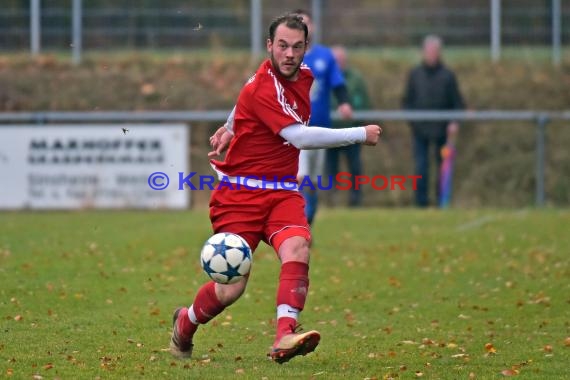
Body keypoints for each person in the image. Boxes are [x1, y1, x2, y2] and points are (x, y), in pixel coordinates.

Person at [169, 13, 382, 364]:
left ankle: (285, 334)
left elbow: (243, 100)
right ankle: (185, 322)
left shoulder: (303, 77)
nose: (289, 53)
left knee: (298, 247)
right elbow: (296, 135)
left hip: (282, 191)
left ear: (306, 50)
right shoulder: (263, 85)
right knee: (231, 288)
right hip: (240, 195)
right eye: (282, 45)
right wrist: (359, 134)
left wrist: (229, 125)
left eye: (297, 47)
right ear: (269, 45)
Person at [293, 9, 353, 225]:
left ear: (313, 28)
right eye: (297, 23)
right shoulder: (287, 58)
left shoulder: (325, 57)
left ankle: (308, 220)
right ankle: (299, 223)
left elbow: (338, 84)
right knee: (300, 176)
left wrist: (345, 103)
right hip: (295, 129)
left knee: (313, 181)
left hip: (321, 128)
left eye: (306, 23)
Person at [402, 35, 465, 207]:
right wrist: (413, 122)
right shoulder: (415, 74)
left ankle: (441, 203)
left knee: (442, 169)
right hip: (420, 131)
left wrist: (454, 122)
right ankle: (420, 203)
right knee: (421, 168)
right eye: (428, 51)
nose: (431, 54)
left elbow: (457, 103)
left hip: (442, 131)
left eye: (434, 51)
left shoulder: (448, 76)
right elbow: (406, 101)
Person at [327, 45, 372, 207]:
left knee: (355, 166)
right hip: (329, 132)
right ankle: (332, 199)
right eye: (335, 59)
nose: (338, 62)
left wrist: (360, 123)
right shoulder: (323, 77)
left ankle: (355, 199)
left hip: (352, 130)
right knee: (331, 168)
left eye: (340, 59)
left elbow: (364, 102)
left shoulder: (355, 78)